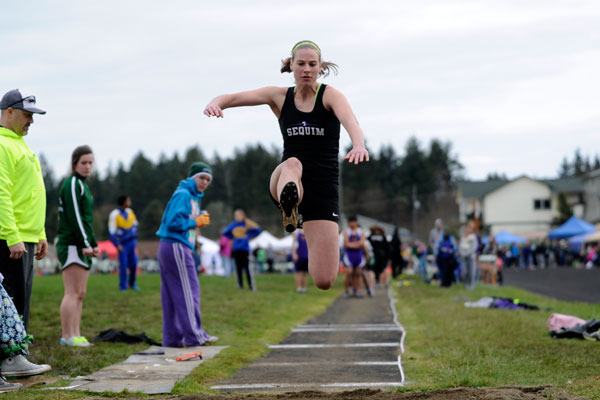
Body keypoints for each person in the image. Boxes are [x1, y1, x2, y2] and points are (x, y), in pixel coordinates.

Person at [204, 40, 369, 290]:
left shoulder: (330, 96)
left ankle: (297, 213)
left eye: (312, 64)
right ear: (291, 65)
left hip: (322, 190)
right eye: (300, 63)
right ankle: (289, 206)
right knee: (293, 162)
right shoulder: (279, 97)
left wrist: (358, 144)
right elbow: (235, 96)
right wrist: (216, 103)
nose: (306, 69)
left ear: (320, 67)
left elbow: (352, 122)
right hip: (286, 180)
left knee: (324, 280)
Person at [0, 89, 48, 331]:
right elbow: (1, 194)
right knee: (10, 303)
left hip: (27, 238)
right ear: (9, 112)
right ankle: (10, 357)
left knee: (21, 303)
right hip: (12, 240)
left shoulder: (20, 145)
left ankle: (18, 353)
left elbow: (30, 194)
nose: (31, 120)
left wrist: (40, 234)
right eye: (27, 114)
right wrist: (12, 236)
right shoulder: (2, 145)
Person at [156, 162, 217, 347]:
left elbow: (182, 220)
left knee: (171, 295)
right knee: (189, 291)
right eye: (201, 177)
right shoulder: (184, 195)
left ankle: (173, 338)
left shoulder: (191, 197)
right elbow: (174, 222)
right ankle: (194, 336)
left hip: (169, 246)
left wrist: (196, 220)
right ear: (192, 177)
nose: (204, 182)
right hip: (176, 246)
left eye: (208, 179)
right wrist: (195, 221)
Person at [56, 145, 98, 347]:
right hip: (72, 244)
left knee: (80, 293)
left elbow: (87, 220)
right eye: (84, 163)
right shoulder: (72, 184)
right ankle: (67, 336)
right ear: (74, 164)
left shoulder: (84, 185)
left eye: (91, 163)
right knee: (72, 292)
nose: (88, 167)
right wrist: (84, 244)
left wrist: (93, 244)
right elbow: (75, 218)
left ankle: (76, 334)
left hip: (81, 244)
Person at [223, 210, 262, 291]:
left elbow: (258, 231)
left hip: (245, 249)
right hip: (236, 249)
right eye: (236, 215)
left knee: (248, 268)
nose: (237, 217)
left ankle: (251, 285)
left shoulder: (247, 224)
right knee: (238, 268)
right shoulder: (233, 225)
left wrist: (251, 225)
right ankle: (240, 285)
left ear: (243, 216)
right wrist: (232, 233)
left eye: (239, 215)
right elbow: (225, 233)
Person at [108, 195, 140, 291]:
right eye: (128, 200)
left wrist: (135, 241)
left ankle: (132, 283)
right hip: (123, 244)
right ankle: (123, 286)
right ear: (124, 202)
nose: (130, 201)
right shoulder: (114, 214)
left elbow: (135, 225)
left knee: (134, 264)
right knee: (123, 265)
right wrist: (117, 245)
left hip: (132, 242)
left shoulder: (130, 212)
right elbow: (111, 232)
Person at [342, 216, 370, 297]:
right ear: (348, 223)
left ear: (356, 222)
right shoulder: (346, 232)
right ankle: (346, 291)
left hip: (359, 255)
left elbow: (362, 243)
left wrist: (352, 245)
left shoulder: (361, 232)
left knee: (358, 273)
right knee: (349, 273)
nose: (352, 224)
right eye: (350, 222)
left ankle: (357, 290)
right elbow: (346, 244)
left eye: (354, 222)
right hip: (349, 255)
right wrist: (357, 244)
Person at [459, 223, 478, 289]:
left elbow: (473, 248)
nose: (468, 230)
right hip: (463, 258)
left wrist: (466, 253)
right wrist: (462, 253)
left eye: (470, 228)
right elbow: (460, 247)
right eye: (467, 228)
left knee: (471, 273)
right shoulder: (463, 238)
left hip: (470, 257)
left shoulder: (473, 237)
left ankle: (471, 286)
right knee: (464, 272)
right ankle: (466, 284)